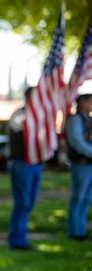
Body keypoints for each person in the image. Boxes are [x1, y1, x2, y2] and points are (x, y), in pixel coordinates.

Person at [7, 86, 43, 250]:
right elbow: (18, 126)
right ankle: (17, 240)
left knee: (29, 203)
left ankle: (20, 236)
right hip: (22, 164)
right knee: (22, 203)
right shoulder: (19, 114)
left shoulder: (41, 115)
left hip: (36, 164)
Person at [65, 93, 92, 241]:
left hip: (89, 164)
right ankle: (74, 231)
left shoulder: (89, 120)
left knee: (87, 198)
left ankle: (81, 230)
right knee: (79, 197)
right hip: (81, 164)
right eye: (90, 101)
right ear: (82, 102)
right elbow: (77, 142)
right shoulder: (75, 120)